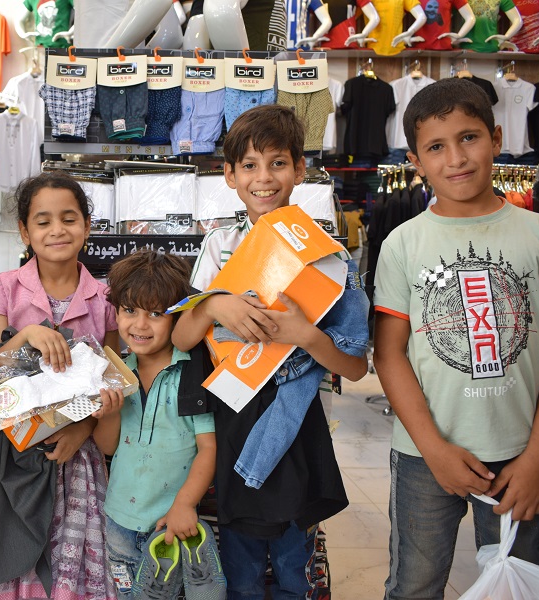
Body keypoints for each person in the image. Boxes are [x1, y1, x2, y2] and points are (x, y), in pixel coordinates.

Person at [171, 105, 369, 599]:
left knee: (292, 563)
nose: (264, 177)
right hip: (233, 415)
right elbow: (181, 339)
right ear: (230, 175)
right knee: (239, 563)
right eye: (250, 165)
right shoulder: (219, 244)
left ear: (300, 169)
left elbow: (354, 366)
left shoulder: (328, 255)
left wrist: (306, 336)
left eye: (278, 163)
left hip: (296, 422)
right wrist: (214, 303)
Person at [373, 77, 539, 599]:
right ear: (415, 161)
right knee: (414, 584)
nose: (456, 159)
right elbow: (389, 354)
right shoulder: (402, 243)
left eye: (469, 137)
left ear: (496, 138)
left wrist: (537, 458)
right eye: (436, 147)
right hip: (425, 455)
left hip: (521, 454)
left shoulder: (535, 234)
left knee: (519, 582)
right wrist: (434, 449)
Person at [0, 171, 118, 600]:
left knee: (72, 565)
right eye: (43, 221)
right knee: (10, 554)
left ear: (87, 226)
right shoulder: (5, 287)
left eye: (69, 219)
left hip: (76, 458)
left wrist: (83, 428)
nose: (57, 230)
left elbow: (113, 378)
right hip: (14, 452)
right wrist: (27, 336)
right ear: (24, 231)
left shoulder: (105, 298)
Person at [93, 249, 217, 600]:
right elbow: (107, 447)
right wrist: (110, 412)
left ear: (177, 317)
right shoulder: (117, 372)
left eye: (155, 313)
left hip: (171, 524)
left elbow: (208, 448)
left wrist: (185, 505)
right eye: (129, 310)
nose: (140, 325)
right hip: (118, 519)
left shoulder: (192, 372)